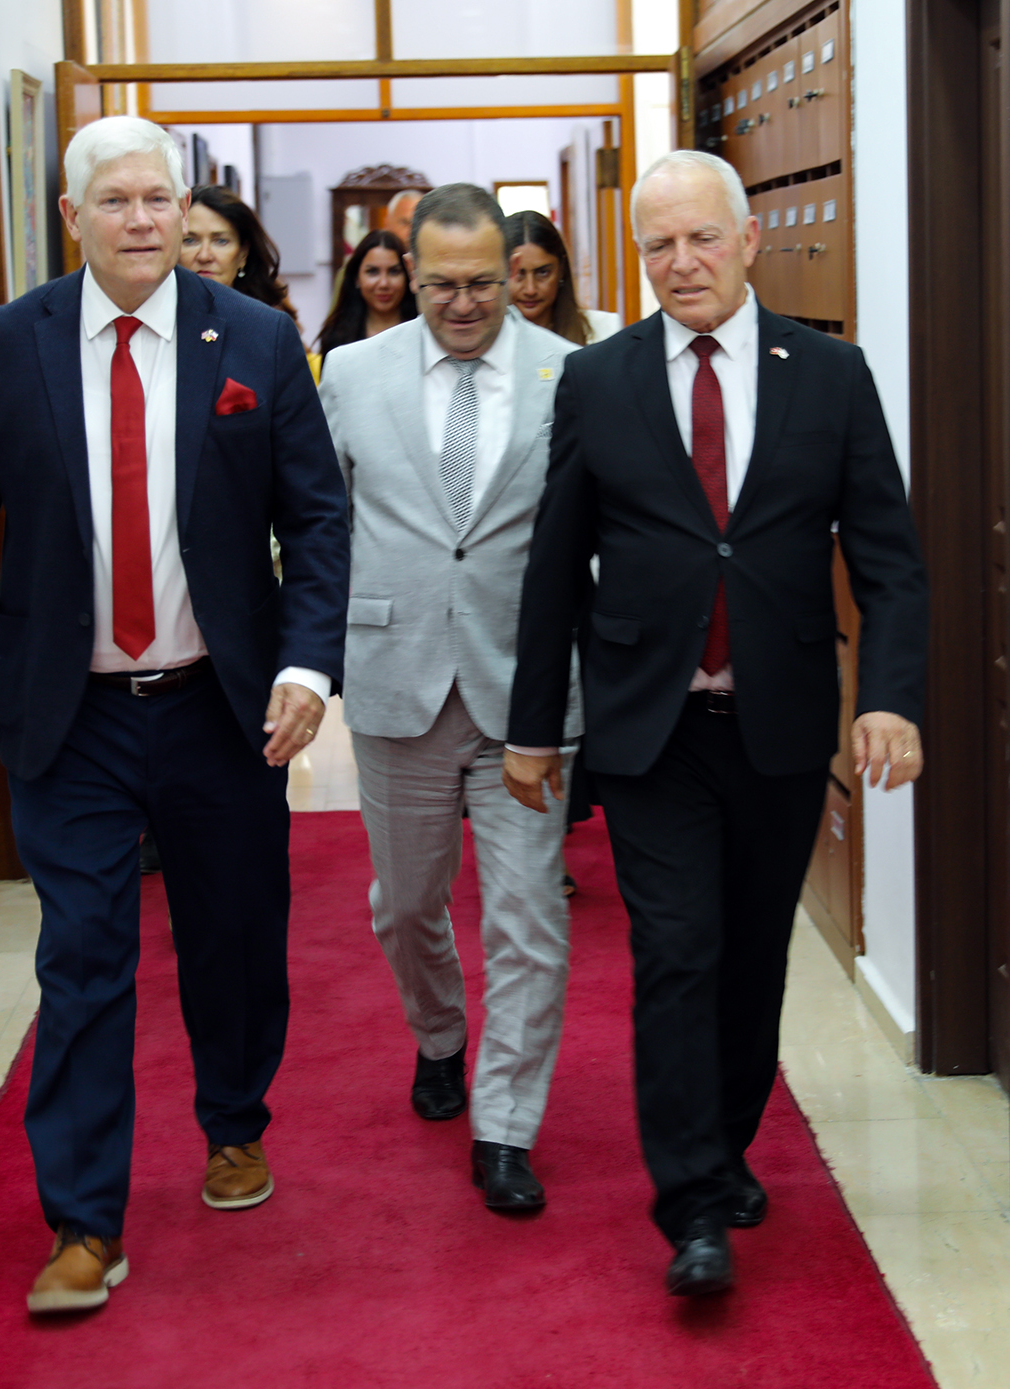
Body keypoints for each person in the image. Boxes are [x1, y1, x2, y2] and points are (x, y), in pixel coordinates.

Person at [0, 116, 349, 1316]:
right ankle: (85, 1221)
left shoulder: (254, 338)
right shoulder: (7, 344)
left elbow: (317, 518)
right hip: (72, 714)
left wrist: (309, 666)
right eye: (116, 202)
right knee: (84, 957)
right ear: (72, 217)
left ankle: (234, 1121)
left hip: (220, 706)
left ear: (181, 209)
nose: (143, 221)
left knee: (234, 937)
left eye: (158, 199)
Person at [503, 150, 928, 1298]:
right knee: (676, 953)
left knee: (748, 957)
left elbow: (889, 562)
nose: (681, 262)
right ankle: (690, 1202)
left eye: (701, 239)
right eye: (659, 245)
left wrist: (890, 695)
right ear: (638, 255)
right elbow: (553, 569)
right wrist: (533, 727)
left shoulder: (830, 375)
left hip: (779, 723)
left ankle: (726, 1143)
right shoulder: (598, 380)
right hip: (653, 728)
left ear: (748, 240)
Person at [319, 184, 580, 1211]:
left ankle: (505, 1126)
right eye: (441, 286)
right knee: (405, 903)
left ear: (511, 276)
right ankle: (438, 1034)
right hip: (400, 680)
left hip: (529, 694)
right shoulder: (352, 373)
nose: (463, 304)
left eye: (483, 285)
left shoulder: (569, 371)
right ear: (406, 275)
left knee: (528, 920)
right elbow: (321, 523)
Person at [184, 184, 301, 327]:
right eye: (190, 241)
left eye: (221, 241)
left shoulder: (269, 327)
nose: (204, 256)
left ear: (243, 254)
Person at [502, 210, 621, 346]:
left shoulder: (607, 331)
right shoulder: (486, 343)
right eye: (518, 274)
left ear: (561, 269)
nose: (530, 290)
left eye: (543, 273)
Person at [313, 229, 415, 371]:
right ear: (356, 278)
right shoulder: (336, 336)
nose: (384, 283)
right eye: (372, 272)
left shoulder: (424, 333)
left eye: (393, 272)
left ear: (408, 277)